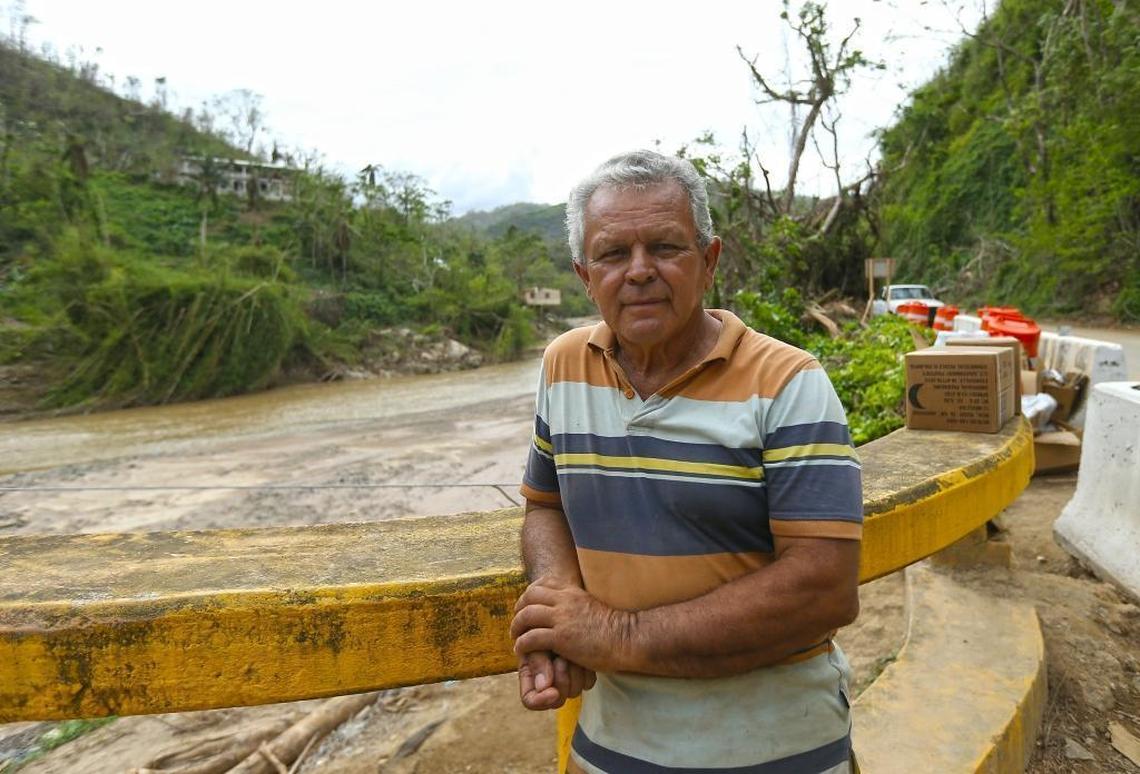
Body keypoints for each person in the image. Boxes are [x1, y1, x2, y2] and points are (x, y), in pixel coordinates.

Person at [512, 150, 863, 774]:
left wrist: (611, 634)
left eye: (666, 248)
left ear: (709, 261)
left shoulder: (789, 383)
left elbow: (823, 587)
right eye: (613, 254)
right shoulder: (563, 366)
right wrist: (557, 606)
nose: (639, 271)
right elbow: (545, 508)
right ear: (584, 275)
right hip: (609, 743)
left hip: (777, 746)